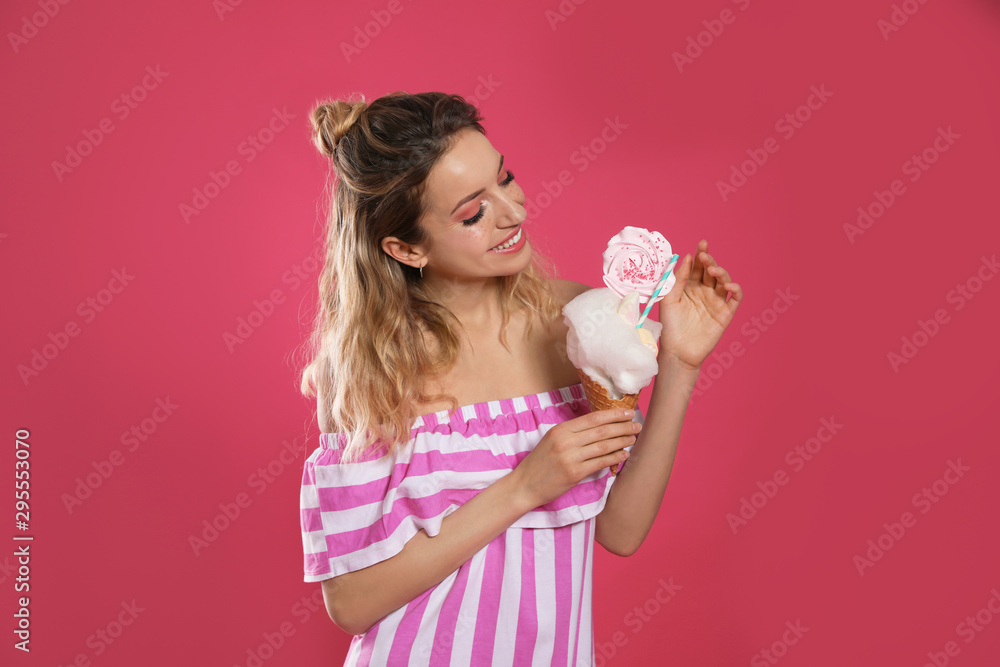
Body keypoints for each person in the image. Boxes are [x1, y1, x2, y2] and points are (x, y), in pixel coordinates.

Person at [297, 91, 742, 666]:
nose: (512, 212)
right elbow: (352, 603)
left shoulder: (580, 324)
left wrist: (680, 362)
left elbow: (621, 530)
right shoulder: (372, 369)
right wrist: (525, 487)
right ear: (405, 248)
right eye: (472, 214)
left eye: (505, 178)